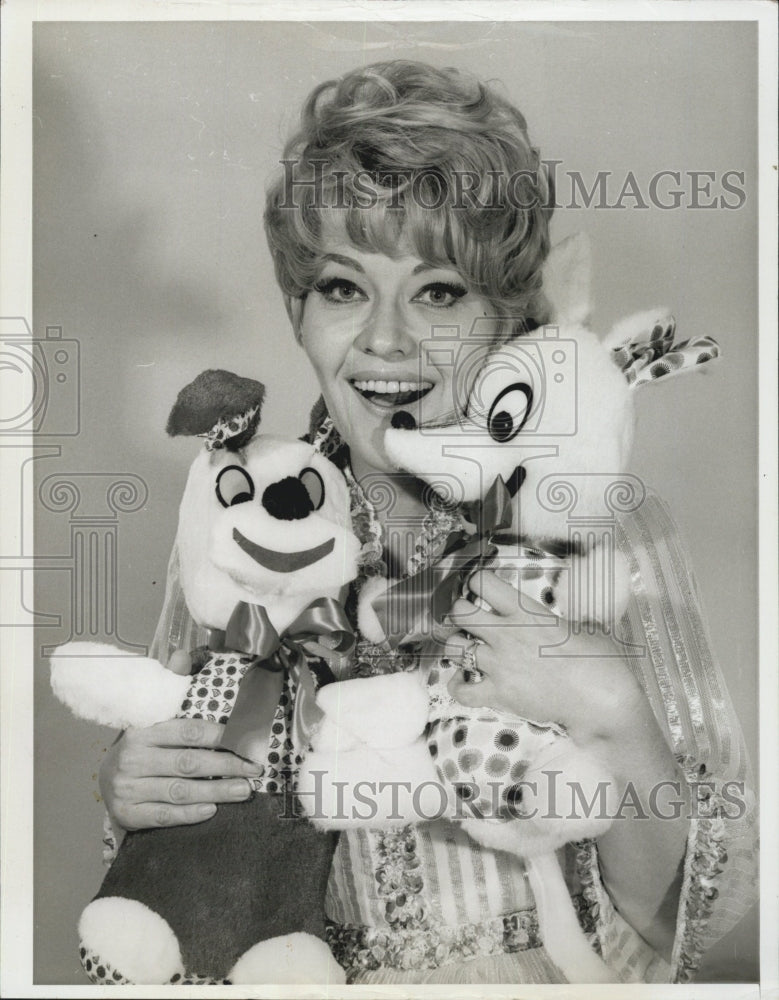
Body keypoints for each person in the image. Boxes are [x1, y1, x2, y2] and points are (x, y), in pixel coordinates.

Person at [97, 60, 757, 984]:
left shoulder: (605, 532)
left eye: (439, 291)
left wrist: (611, 711)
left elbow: (706, 940)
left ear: (505, 314)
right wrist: (135, 790)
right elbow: (179, 884)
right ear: (298, 309)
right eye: (342, 286)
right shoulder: (237, 519)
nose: (386, 341)